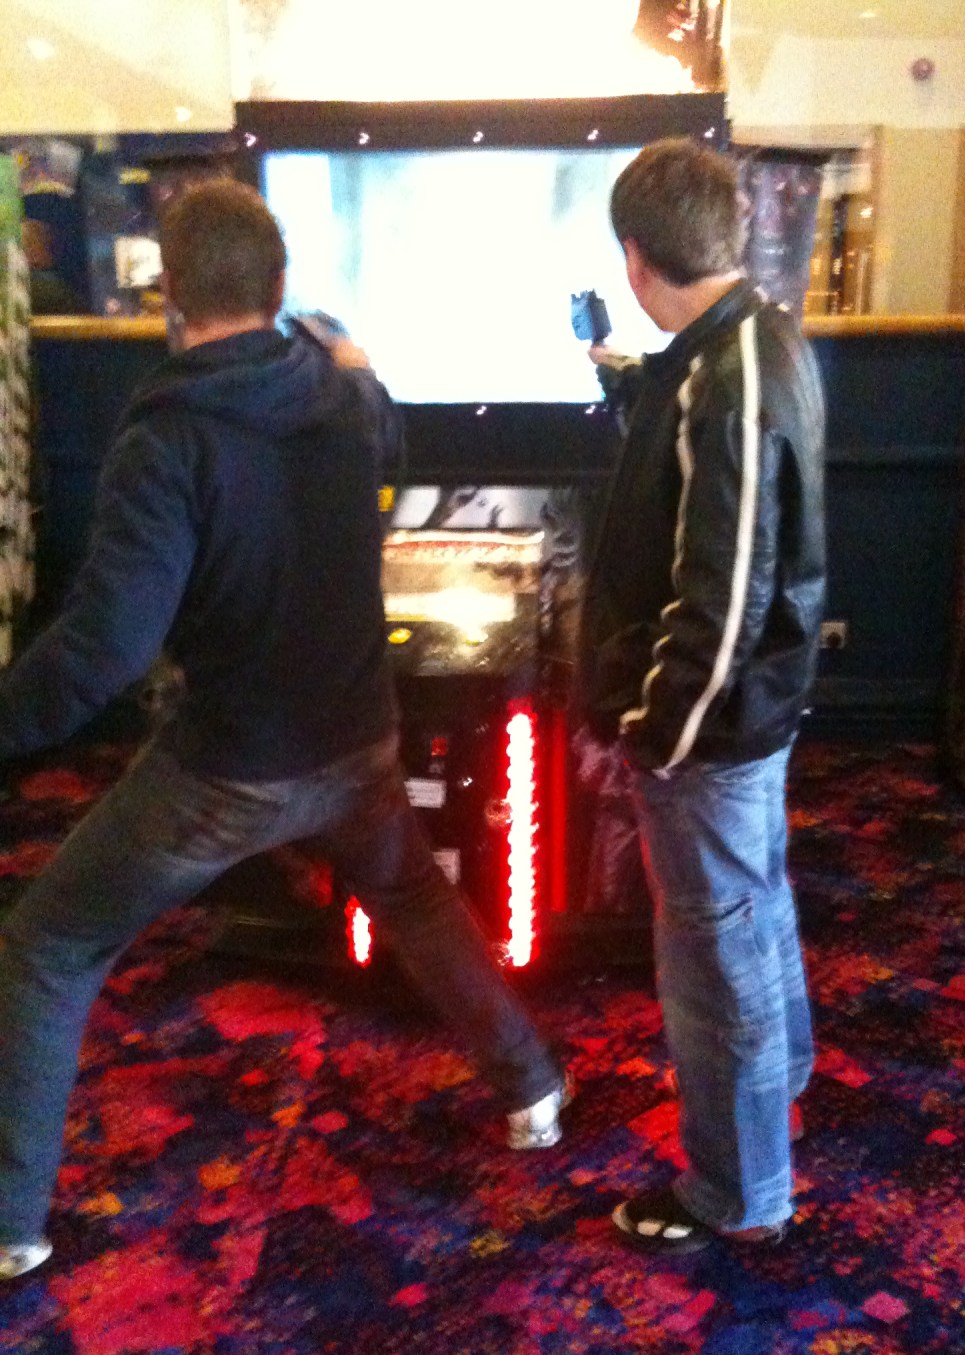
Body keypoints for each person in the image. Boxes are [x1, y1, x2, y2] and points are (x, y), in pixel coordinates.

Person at [0, 178, 567, 1281]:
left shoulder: (162, 442)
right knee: (411, 895)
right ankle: (534, 1090)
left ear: (169, 292)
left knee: (46, 945)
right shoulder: (344, 395)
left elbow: (105, 652)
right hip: (355, 740)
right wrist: (347, 356)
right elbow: (391, 442)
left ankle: (12, 1224)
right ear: (280, 287)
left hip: (231, 770)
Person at [578, 138, 826, 1255]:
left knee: (712, 961)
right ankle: (784, 1083)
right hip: (752, 718)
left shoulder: (726, 380)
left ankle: (738, 1194)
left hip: (708, 734)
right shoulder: (753, 337)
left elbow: (722, 595)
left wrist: (655, 735)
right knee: (753, 909)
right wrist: (622, 372)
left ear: (637, 258)